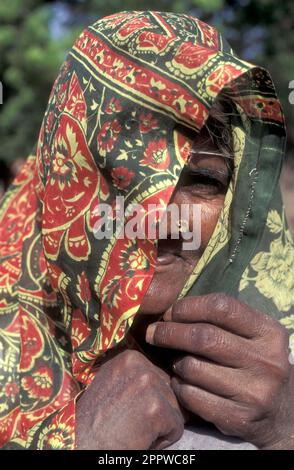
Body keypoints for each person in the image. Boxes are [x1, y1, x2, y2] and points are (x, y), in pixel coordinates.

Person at [0, 11, 293, 450]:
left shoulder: (273, 356)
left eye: (204, 181)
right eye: (124, 177)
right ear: (63, 180)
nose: (160, 218)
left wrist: (283, 428)